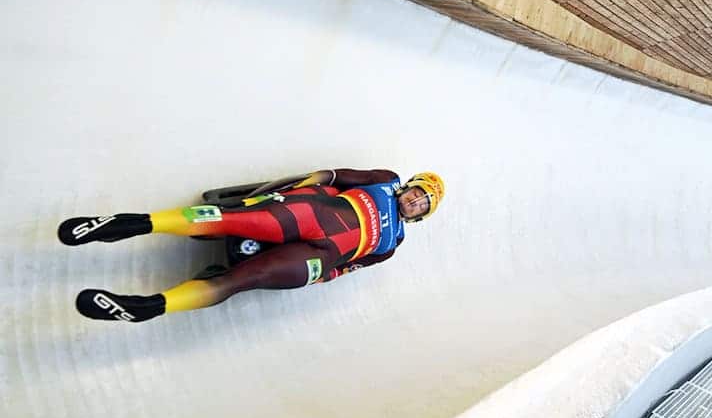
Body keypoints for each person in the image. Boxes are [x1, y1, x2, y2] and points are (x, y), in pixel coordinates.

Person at [58, 169, 444, 323]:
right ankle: (127, 224)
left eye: (422, 204)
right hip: (311, 211)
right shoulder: (383, 180)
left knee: (249, 278)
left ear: (419, 216)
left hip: (320, 256)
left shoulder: (391, 245)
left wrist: (321, 276)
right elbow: (331, 174)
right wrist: (275, 193)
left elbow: (347, 269)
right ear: (408, 185)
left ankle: (147, 308)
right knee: (230, 219)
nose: (415, 201)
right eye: (417, 193)